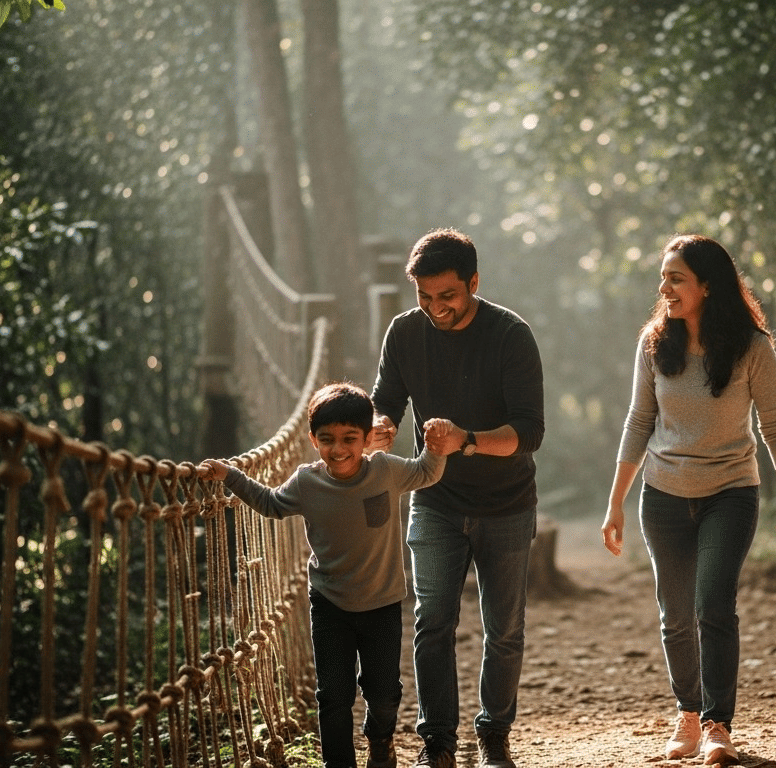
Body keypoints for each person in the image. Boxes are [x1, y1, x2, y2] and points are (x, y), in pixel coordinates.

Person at [600, 234, 776, 766]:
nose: (664, 288)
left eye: (676, 278)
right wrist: (616, 502)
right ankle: (687, 714)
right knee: (674, 614)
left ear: (707, 286)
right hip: (663, 495)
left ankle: (718, 724)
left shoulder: (753, 347)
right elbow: (639, 422)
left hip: (730, 492)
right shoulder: (653, 343)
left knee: (712, 605)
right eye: (663, 278)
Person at [200, 382, 450, 768]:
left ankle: (379, 739)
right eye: (327, 439)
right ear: (313, 440)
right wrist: (231, 475)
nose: (338, 449)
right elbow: (270, 503)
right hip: (330, 604)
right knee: (333, 696)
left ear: (367, 438)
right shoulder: (307, 482)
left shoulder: (386, 471)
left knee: (384, 694)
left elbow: (426, 472)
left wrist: (437, 446)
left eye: (350, 438)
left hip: (382, 603)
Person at [366, 228, 545, 768]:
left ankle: (493, 734)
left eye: (447, 295)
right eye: (425, 296)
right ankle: (438, 743)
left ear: (474, 282)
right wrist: (379, 426)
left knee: (504, 630)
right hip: (435, 498)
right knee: (432, 622)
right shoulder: (404, 332)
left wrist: (465, 440)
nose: (435, 307)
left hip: (508, 504)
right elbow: (386, 400)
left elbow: (529, 432)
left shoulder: (511, 335)